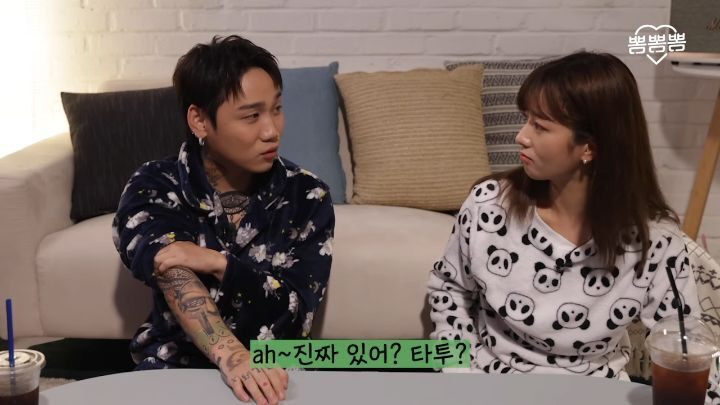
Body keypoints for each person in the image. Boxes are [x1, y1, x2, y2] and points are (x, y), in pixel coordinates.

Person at [427, 51, 718, 402]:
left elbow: (686, 341)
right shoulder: (488, 205)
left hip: (599, 391)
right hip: (491, 385)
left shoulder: (655, 238)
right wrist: (460, 379)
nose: (521, 136)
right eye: (526, 120)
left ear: (589, 147)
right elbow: (449, 292)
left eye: (540, 126)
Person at [112, 35, 335, 405]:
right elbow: (173, 270)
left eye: (277, 109)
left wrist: (220, 264)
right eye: (251, 116)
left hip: (280, 367)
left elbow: (296, 313)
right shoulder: (155, 185)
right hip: (178, 363)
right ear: (200, 120)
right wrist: (234, 358)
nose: (271, 130)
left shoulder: (308, 195)